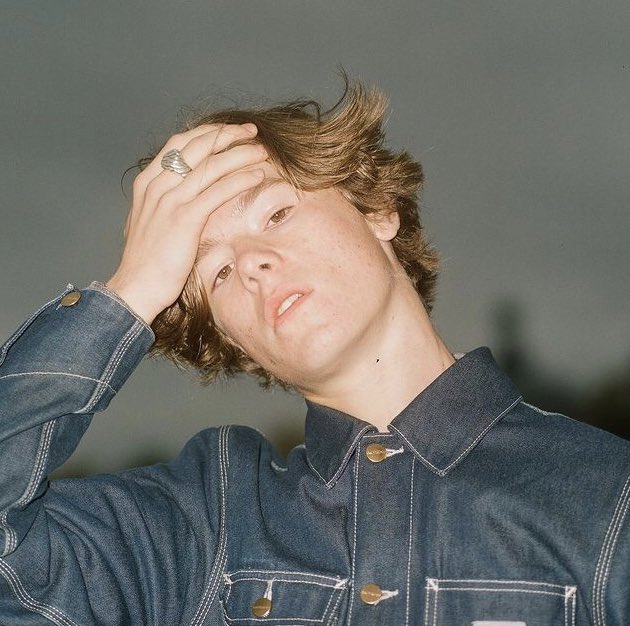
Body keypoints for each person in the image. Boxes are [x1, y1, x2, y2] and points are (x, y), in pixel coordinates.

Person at [0, 81, 628, 626]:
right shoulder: (198, 528)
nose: (251, 263)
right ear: (233, 341)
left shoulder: (607, 497)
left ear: (376, 210)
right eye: (217, 273)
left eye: (276, 213)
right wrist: (130, 294)